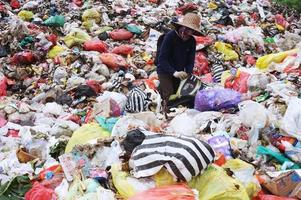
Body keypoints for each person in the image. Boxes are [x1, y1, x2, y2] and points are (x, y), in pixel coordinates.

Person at [156, 13, 202, 112]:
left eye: (189, 30)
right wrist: (174, 72)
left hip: (180, 71)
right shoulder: (170, 37)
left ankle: (175, 110)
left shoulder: (192, 41)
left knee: (182, 93)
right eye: (184, 28)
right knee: (169, 92)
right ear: (180, 26)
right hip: (165, 69)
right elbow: (162, 59)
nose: (185, 32)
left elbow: (190, 60)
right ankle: (165, 112)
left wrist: (188, 72)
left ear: (193, 31)